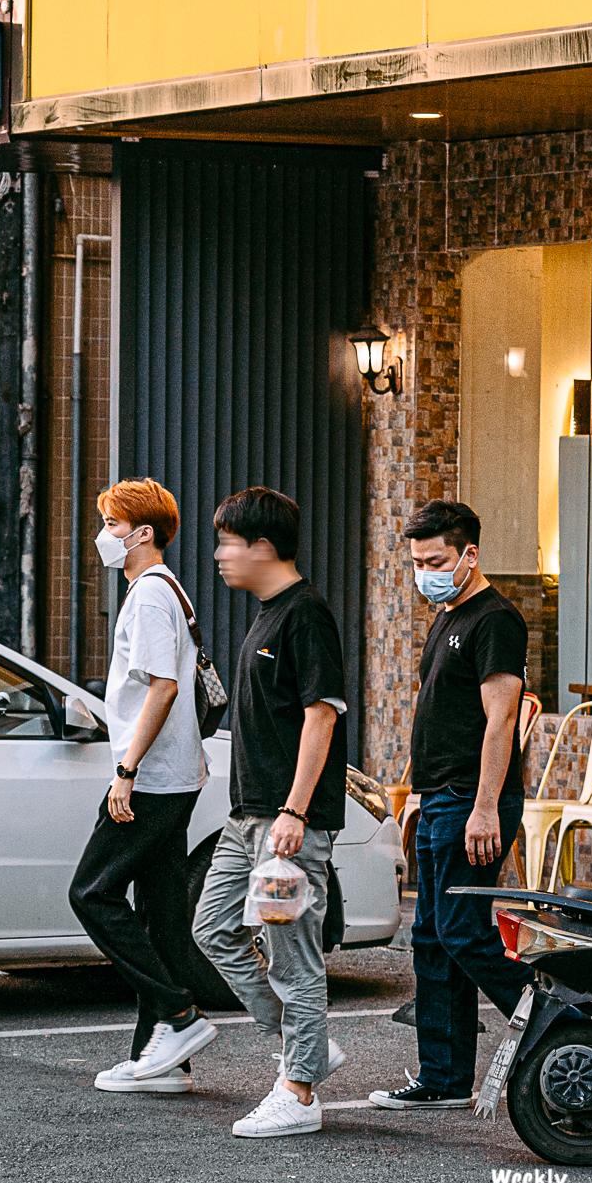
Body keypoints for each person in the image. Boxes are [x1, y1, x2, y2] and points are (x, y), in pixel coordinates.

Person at [191, 487, 349, 1138]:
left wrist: (294, 811)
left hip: (288, 822)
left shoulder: (304, 615)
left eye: (228, 542)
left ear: (262, 546)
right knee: (212, 929)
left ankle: (302, 1093)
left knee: (292, 956)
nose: (221, 555)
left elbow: (322, 717)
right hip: (247, 816)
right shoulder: (264, 614)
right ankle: (299, 1045)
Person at [369, 500, 531, 1111]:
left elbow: (502, 719)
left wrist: (485, 807)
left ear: (469, 555)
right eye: (415, 561)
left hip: (471, 800)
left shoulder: (496, 621)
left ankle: (557, 1016)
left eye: (434, 560)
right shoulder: (447, 616)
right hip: (440, 798)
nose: (424, 572)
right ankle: (442, 1077)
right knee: (432, 937)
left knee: (462, 930)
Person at [69, 478, 218, 1094]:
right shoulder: (158, 592)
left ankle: (179, 1015)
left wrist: (126, 771)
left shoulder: (152, 596)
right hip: (170, 775)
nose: (102, 535)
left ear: (142, 533)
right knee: (160, 912)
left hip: (153, 778)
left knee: (93, 893)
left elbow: (163, 687)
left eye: (110, 523)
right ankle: (163, 1061)